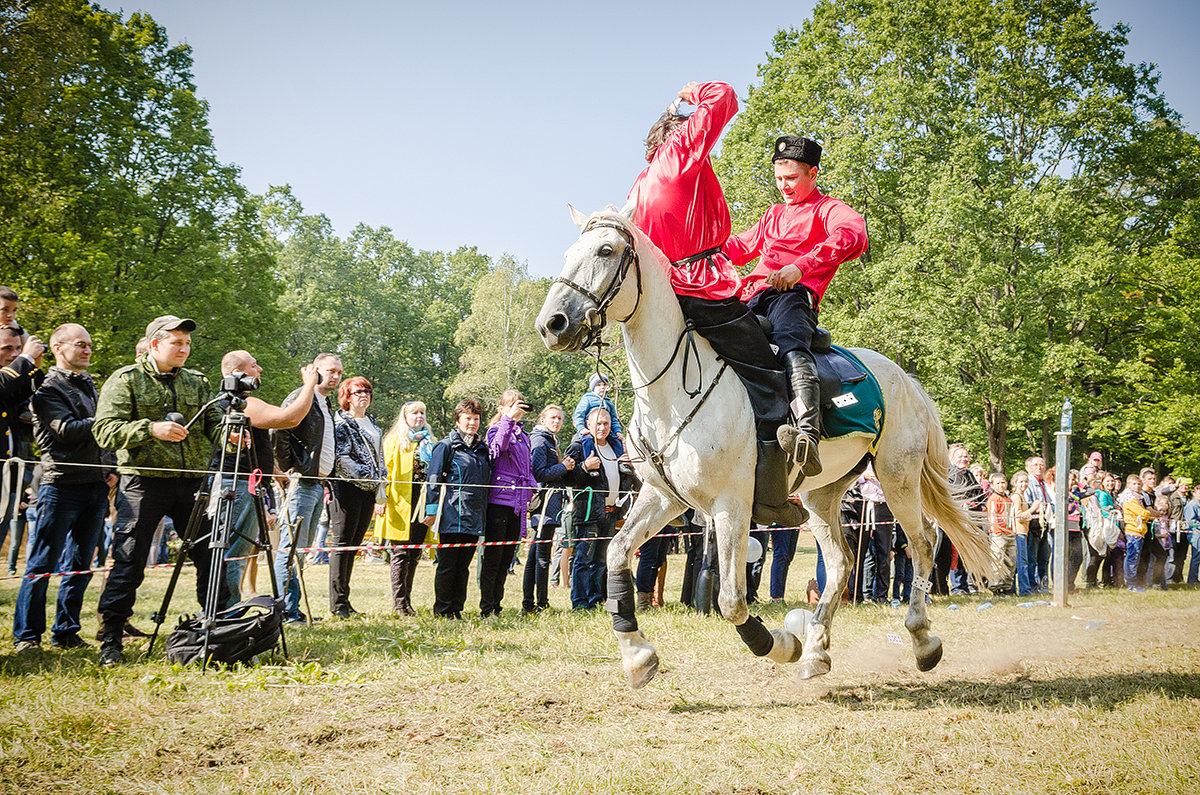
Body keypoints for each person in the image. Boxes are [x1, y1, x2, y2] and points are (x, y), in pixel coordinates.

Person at [626, 80, 800, 528]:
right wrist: (694, 91)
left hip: (666, 298)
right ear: (679, 134)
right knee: (768, 375)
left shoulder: (639, 186)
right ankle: (771, 494)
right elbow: (724, 97)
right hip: (704, 291)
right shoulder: (679, 156)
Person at [725, 134, 868, 482]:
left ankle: (808, 434)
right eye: (779, 179)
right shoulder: (772, 215)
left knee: (791, 345)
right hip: (752, 295)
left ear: (813, 174)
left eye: (792, 179)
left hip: (794, 297)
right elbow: (736, 247)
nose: (784, 186)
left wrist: (800, 267)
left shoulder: (829, 209)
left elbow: (853, 234)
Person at [92, 315, 223, 665]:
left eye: (187, 344)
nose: (184, 349)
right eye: (176, 343)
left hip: (191, 482)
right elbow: (104, 431)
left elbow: (213, 423)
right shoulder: (125, 380)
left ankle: (218, 629)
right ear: (154, 344)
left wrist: (230, 435)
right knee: (130, 559)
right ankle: (111, 639)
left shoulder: (198, 382)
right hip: (142, 482)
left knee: (210, 555)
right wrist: (151, 429)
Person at [12, 324, 115, 652]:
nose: (87, 350)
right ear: (58, 348)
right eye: (80, 345)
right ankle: (27, 636)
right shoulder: (47, 387)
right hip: (59, 485)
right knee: (42, 563)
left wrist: (109, 466)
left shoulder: (90, 385)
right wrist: (107, 420)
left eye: (89, 345)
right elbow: (66, 431)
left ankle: (66, 630)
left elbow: (105, 437)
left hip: (95, 485)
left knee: (81, 564)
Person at [213, 350, 319, 607]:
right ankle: (226, 613)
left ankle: (227, 611)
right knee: (233, 553)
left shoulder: (241, 402)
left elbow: (254, 447)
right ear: (238, 373)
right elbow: (289, 418)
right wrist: (309, 385)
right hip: (237, 486)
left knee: (238, 552)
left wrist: (274, 471)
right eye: (254, 365)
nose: (259, 370)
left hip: (249, 481)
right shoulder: (242, 403)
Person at [271, 353, 343, 624]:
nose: (335, 376)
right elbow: (279, 431)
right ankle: (285, 612)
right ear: (314, 370)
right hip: (300, 483)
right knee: (289, 550)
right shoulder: (301, 397)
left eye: (339, 372)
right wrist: (290, 467)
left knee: (299, 551)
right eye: (330, 371)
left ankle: (293, 608)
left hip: (316, 485)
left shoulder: (323, 403)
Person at [423, 398, 490, 619]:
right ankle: (442, 610)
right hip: (452, 514)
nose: (472, 423)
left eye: (476, 419)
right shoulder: (446, 446)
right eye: (468, 418)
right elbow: (433, 480)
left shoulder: (482, 449)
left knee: (463, 566)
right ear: (457, 420)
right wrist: (431, 510)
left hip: (474, 516)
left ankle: (456, 609)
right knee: (447, 565)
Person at [328, 376, 387, 619]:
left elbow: (379, 457)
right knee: (342, 545)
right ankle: (337, 604)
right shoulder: (341, 423)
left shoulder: (372, 423)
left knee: (354, 546)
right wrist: (370, 478)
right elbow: (341, 460)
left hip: (368, 491)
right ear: (347, 397)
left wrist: (380, 482)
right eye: (357, 391)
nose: (363, 395)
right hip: (347, 489)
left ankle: (346, 601)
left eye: (367, 391)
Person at [564, 407, 631, 610]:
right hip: (588, 512)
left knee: (601, 561)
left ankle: (596, 600)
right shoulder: (579, 446)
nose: (602, 428)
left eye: (606, 424)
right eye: (598, 424)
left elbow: (623, 479)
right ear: (588, 425)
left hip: (611, 511)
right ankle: (580, 602)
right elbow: (566, 477)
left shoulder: (615, 447)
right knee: (584, 558)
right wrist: (584, 467)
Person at [479, 390, 536, 617]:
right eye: (512, 406)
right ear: (501, 408)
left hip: (518, 501)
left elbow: (527, 467)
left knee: (507, 556)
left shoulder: (524, 436)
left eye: (519, 407)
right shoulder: (496, 429)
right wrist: (508, 420)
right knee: (493, 555)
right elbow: (497, 449)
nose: (517, 411)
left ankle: (497, 605)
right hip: (499, 499)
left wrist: (534, 488)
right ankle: (486, 606)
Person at [378, 401, 434, 615]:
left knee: (414, 553)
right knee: (400, 553)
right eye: (414, 413)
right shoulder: (394, 441)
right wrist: (380, 501)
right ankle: (399, 603)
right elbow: (384, 474)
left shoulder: (429, 442)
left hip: (422, 502)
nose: (419, 416)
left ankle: (407, 602)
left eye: (422, 412)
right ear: (405, 416)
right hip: (399, 502)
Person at [0, 323, 45, 574]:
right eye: (7, 348)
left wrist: (34, 368)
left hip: (9, 478)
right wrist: (26, 359)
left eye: (19, 348)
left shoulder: (11, 381)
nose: (15, 354)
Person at [523, 405, 574, 614]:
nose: (556, 422)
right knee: (541, 556)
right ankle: (538, 603)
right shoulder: (540, 440)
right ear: (543, 419)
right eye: (553, 418)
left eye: (560, 419)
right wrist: (564, 467)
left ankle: (531, 603)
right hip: (544, 504)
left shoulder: (551, 440)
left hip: (552, 504)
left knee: (537, 553)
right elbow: (538, 473)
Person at [1023, 456, 1054, 593]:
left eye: (1041, 465)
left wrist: (1048, 508)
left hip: (1045, 525)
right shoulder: (1028, 483)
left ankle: (1044, 584)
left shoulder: (1044, 484)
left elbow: (1050, 502)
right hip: (1033, 526)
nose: (1039, 467)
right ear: (1028, 467)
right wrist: (1039, 507)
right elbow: (1028, 503)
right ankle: (1033, 585)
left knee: (1044, 557)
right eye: (1035, 465)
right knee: (1032, 558)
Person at [1120, 474, 1155, 592]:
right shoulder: (1130, 498)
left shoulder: (1138, 497)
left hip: (1139, 531)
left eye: (1139, 484)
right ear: (1128, 485)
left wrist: (1145, 515)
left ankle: (1132, 583)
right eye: (1134, 484)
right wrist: (1148, 514)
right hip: (1133, 531)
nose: (1137, 486)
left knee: (1135, 557)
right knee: (1132, 558)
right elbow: (1140, 512)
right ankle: (1131, 584)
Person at [986, 472, 1016, 595]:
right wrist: (997, 531)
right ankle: (995, 587)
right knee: (998, 560)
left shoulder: (1008, 499)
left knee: (1011, 561)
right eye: (998, 483)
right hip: (999, 534)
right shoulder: (993, 499)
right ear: (992, 485)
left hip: (1010, 533)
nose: (1001, 485)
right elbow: (993, 516)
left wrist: (1012, 531)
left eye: (1003, 482)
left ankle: (1007, 586)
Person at [572, 373, 622, 441]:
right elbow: (579, 414)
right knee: (587, 441)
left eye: (604, 384)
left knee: (617, 442)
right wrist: (581, 428)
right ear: (593, 388)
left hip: (605, 431)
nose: (602, 387)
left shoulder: (609, 402)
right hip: (589, 430)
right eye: (598, 385)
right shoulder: (588, 399)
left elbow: (614, 419)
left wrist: (617, 431)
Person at [1184, 484, 1200, 585]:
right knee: (1196, 556)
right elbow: (1190, 521)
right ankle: (1192, 579)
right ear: (1194, 493)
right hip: (1195, 533)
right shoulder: (1192, 505)